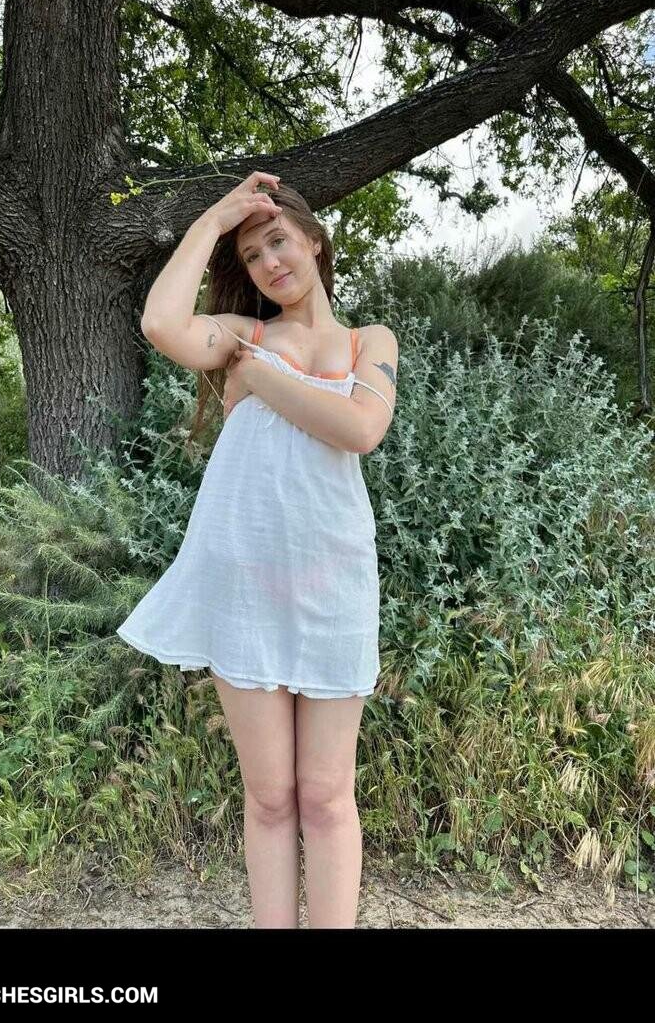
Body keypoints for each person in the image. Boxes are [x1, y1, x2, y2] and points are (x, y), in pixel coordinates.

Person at [117, 171, 398, 928]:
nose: (270, 261)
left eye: (278, 241)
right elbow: (161, 323)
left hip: (335, 586)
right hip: (244, 586)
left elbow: (361, 428)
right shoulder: (242, 334)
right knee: (270, 797)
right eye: (251, 254)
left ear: (314, 241)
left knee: (327, 796)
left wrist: (262, 382)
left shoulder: (368, 342)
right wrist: (212, 220)